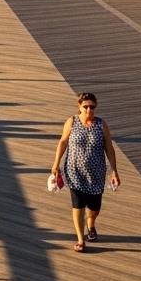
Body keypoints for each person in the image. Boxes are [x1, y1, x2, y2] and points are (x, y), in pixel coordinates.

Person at [52, 93, 119, 253]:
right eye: (86, 107)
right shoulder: (72, 122)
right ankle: (81, 239)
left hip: (96, 173)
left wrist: (114, 171)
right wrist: (55, 165)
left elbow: (109, 148)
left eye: (92, 107)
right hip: (74, 171)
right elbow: (63, 142)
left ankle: (91, 224)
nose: (89, 110)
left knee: (94, 207)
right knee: (78, 205)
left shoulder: (101, 125)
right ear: (79, 107)